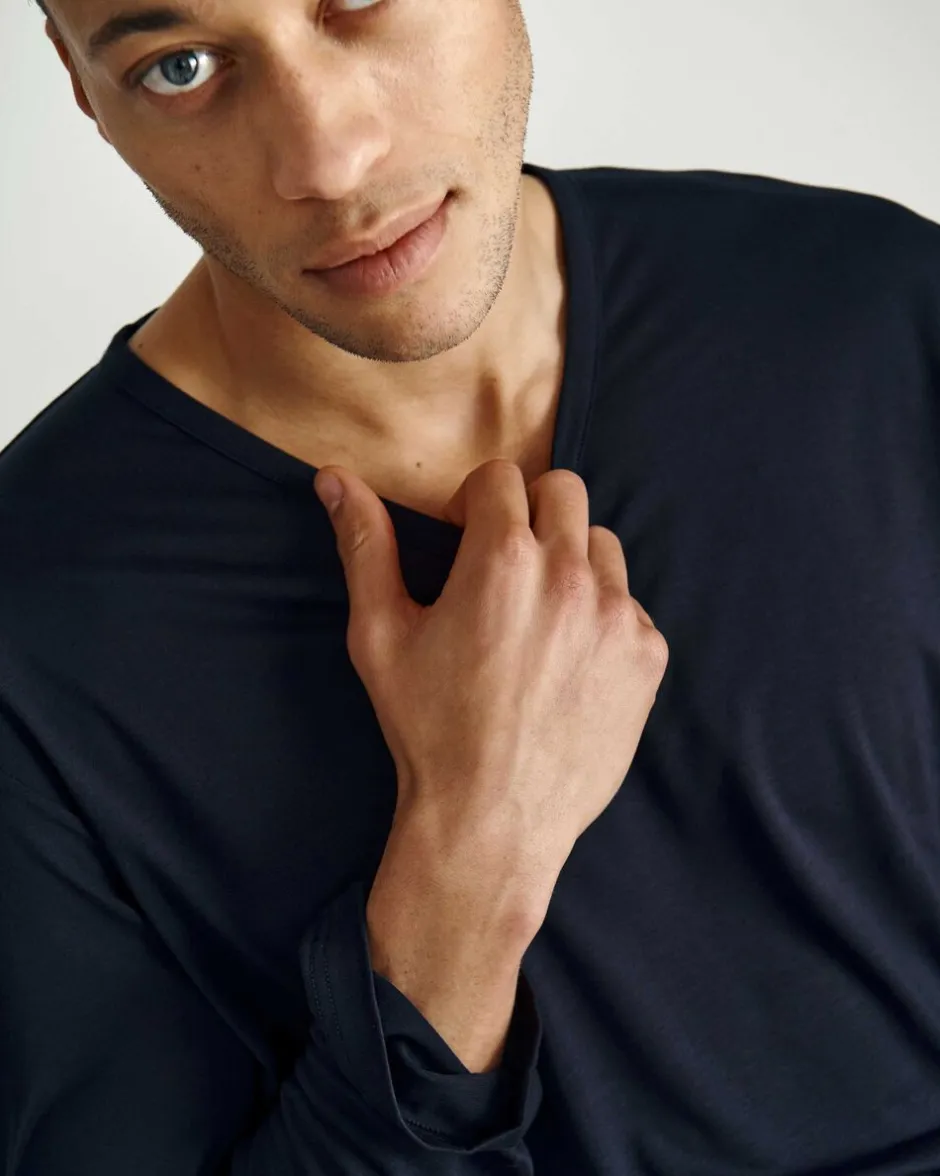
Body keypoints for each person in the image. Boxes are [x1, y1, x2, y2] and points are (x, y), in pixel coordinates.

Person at [4, 0, 940, 1172]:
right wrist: (468, 856)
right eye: (179, 66)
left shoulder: (870, 301)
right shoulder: (31, 634)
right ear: (81, 87)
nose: (329, 161)